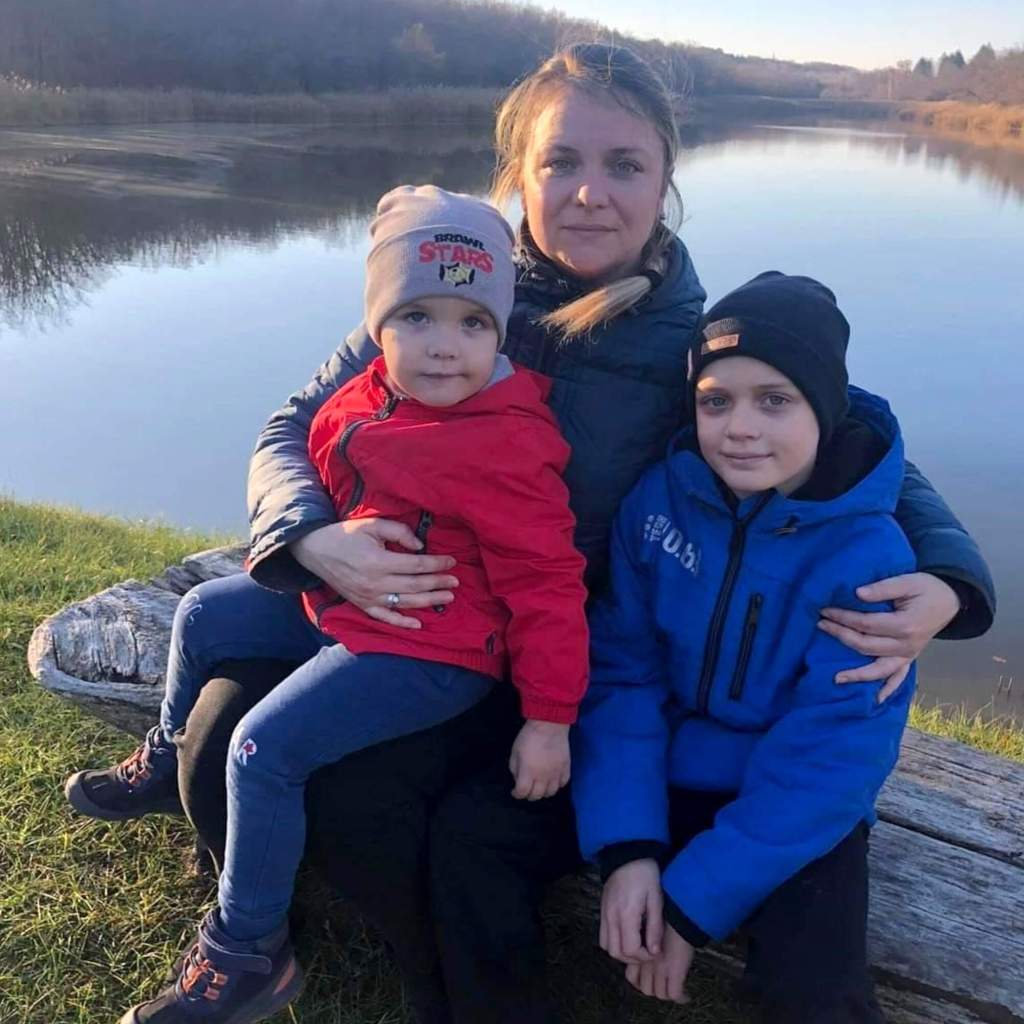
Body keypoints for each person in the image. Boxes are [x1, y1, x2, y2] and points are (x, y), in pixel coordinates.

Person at [130, 43, 992, 1024]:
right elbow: (295, 421)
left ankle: (429, 984)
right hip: (371, 598)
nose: (590, 193)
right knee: (212, 736)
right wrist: (312, 538)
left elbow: (847, 440)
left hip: (532, 647)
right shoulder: (448, 282)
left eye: (624, 165)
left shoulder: (694, 347)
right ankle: (272, 938)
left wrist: (951, 578)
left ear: (666, 182)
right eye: (562, 161)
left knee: (370, 794)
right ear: (520, 173)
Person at [64, 186, 590, 1024]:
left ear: (499, 331)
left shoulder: (507, 441)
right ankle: (167, 762)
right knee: (203, 616)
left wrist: (550, 719)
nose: (445, 345)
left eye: (473, 323)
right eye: (416, 316)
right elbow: (295, 443)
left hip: (432, 649)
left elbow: (549, 585)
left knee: (260, 751)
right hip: (347, 603)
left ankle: (248, 951)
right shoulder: (366, 391)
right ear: (377, 324)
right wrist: (319, 539)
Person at [574, 271, 923, 1023]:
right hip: (659, 768)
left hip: (793, 799)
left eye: (775, 401)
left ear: (824, 408)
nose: (739, 427)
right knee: (481, 841)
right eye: (715, 401)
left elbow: (833, 756)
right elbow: (621, 676)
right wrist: (628, 847)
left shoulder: (870, 558)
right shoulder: (659, 502)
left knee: (815, 987)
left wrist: (691, 903)